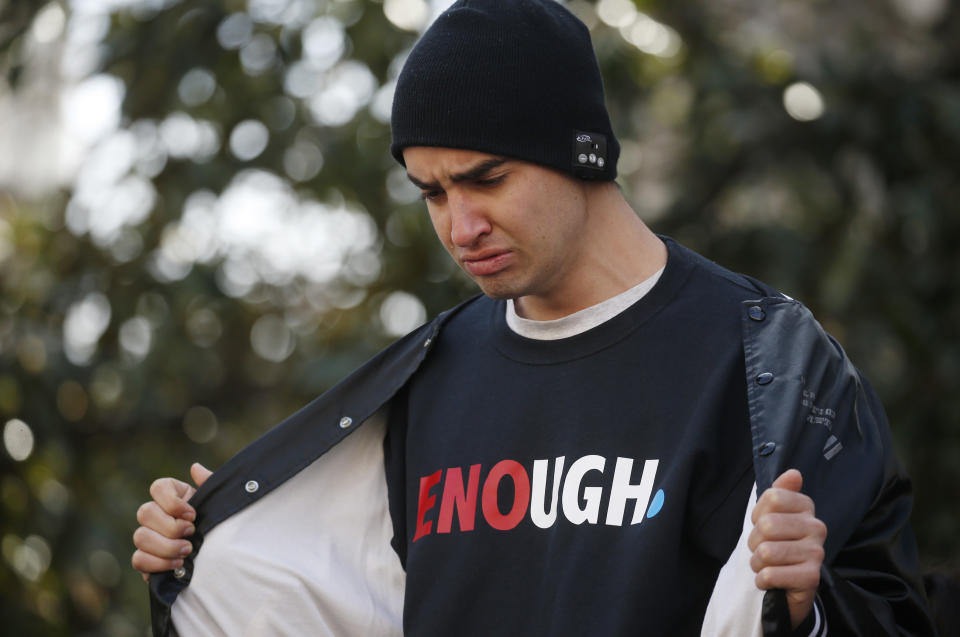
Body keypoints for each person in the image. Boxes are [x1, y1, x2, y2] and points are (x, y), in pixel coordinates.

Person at [131, 1, 935, 635]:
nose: (459, 226)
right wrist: (209, 549)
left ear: (580, 154)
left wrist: (805, 608)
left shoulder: (766, 363)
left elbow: (894, 610)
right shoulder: (425, 381)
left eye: (487, 179)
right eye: (434, 192)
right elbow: (335, 601)